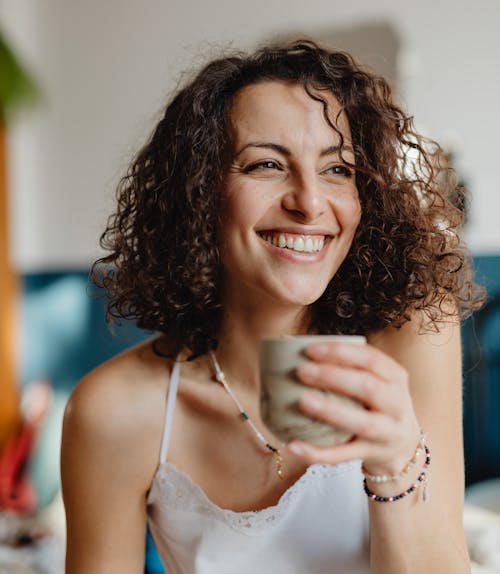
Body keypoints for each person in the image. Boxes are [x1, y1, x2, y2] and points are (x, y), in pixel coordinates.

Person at [61, 39, 482, 573]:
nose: (309, 203)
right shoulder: (114, 411)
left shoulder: (412, 338)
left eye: (337, 170)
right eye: (266, 165)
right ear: (200, 193)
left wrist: (394, 459)